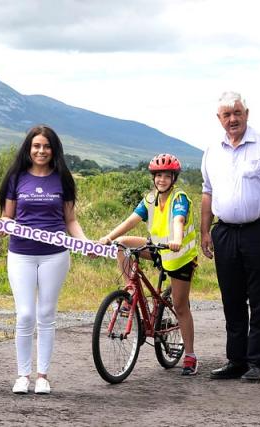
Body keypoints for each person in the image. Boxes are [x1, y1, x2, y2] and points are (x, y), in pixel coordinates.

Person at [201, 92, 260, 383]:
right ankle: (236, 361)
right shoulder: (212, 150)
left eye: (237, 112)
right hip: (225, 231)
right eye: (226, 115)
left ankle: (257, 362)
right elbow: (207, 193)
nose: (232, 119)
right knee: (232, 299)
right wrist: (205, 231)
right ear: (219, 119)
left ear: (247, 113)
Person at [0, 125, 89, 394]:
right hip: (21, 255)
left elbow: (70, 220)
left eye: (46, 146)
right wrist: (3, 225)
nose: (41, 151)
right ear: (29, 148)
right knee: (25, 314)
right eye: (36, 146)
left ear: (54, 150)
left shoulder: (63, 179)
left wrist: (84, 243)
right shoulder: (16, 177)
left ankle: (42, 376)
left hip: (54, 256)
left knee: (46, 314)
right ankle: (22, 375)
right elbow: (7, 217)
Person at [98, 153, 200, 376]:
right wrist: (108, 237)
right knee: (121, 244)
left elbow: (178, 219)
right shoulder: (150, 199)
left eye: (167, 175)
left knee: (181, 307)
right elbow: (131, 220)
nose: (162, 180)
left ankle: (190, 356)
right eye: (158, 175)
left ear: (174, 178)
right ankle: (132, 290)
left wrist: (176, 238)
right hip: (157, 248)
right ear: (153, 177)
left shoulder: (179, 198)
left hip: (179, 255)